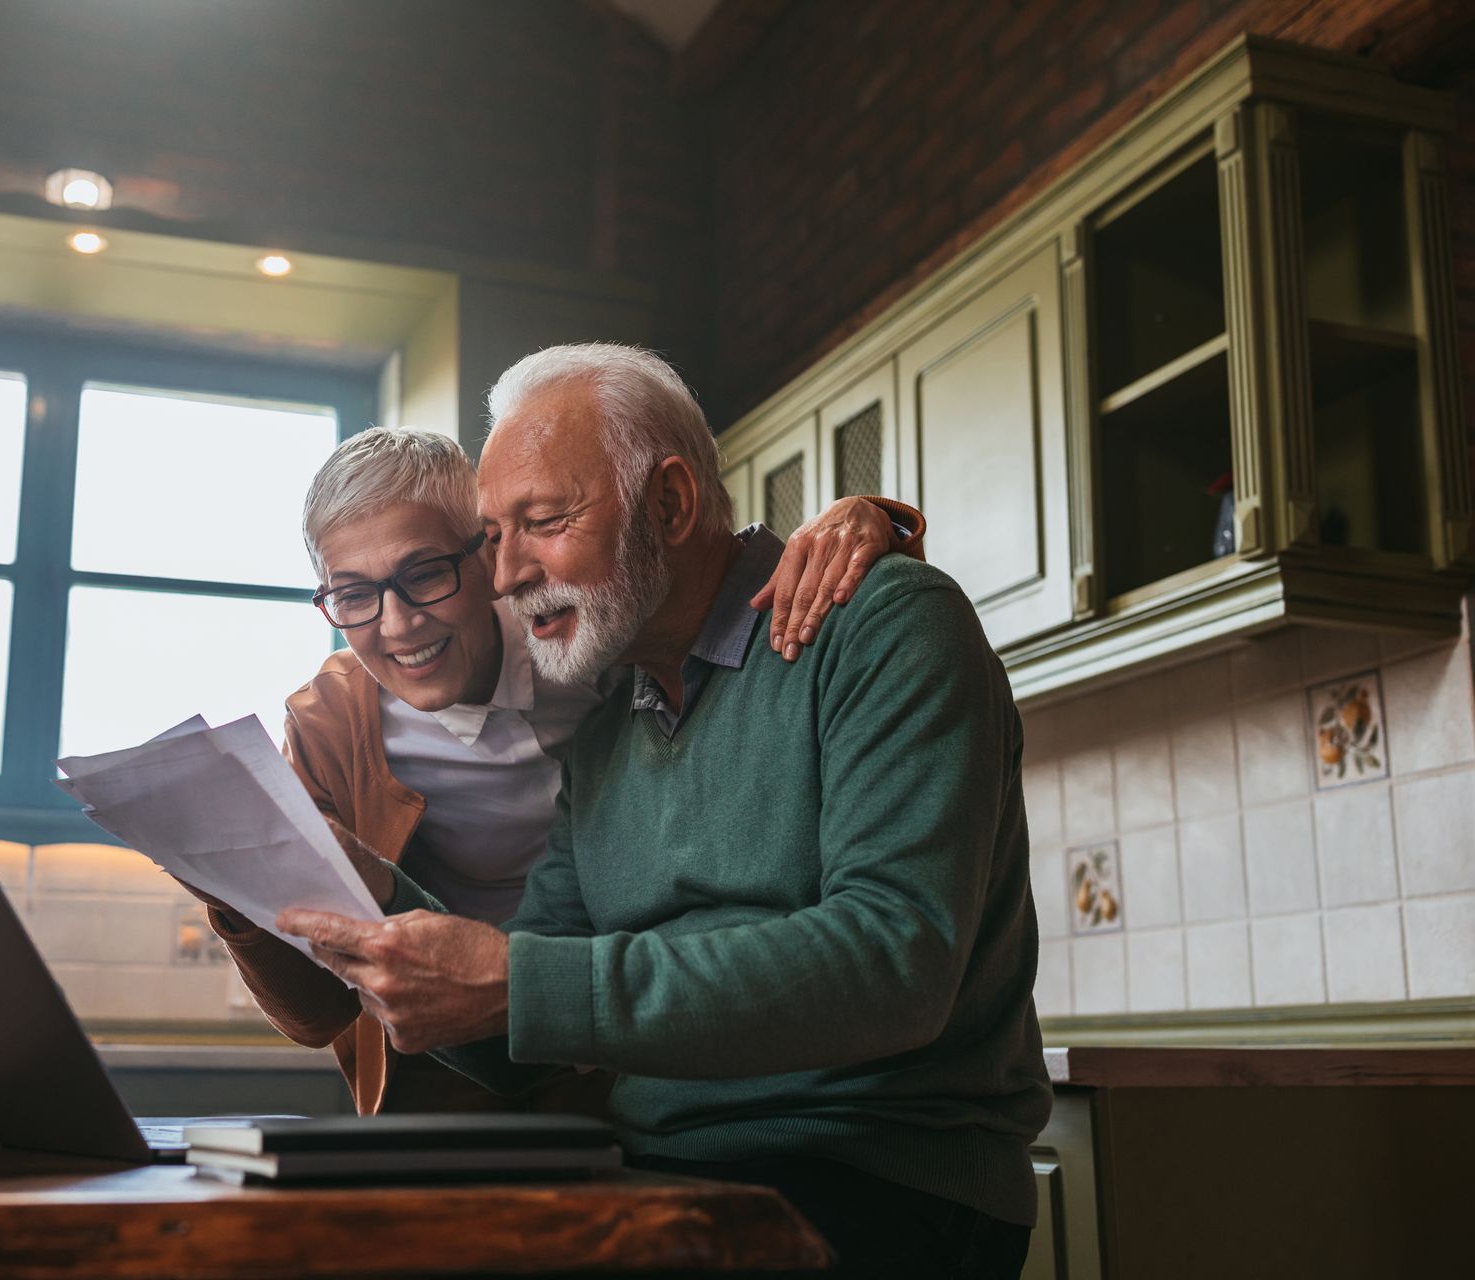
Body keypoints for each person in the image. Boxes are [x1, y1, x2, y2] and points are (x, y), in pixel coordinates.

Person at [279, 344, 1050, 1279]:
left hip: (879, 1177)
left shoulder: (882, 624)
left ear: (673, 504)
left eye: (545, 522)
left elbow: (895, 962)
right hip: (655, 1176)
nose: (508, 574)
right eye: (494, 536)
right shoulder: (606, 734)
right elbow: (516, 1040)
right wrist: (369, 895)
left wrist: (522, 984)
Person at [199, 425, 926, 1115]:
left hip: (632, 1048)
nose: (398, 624)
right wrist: (236, 891)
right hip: (450, 1070)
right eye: (353, 594)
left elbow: (713, 591)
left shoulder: (588, 637)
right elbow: (315, 1012)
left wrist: (870, 520)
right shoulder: (331, 723)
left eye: (425, 574)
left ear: (486, 555)